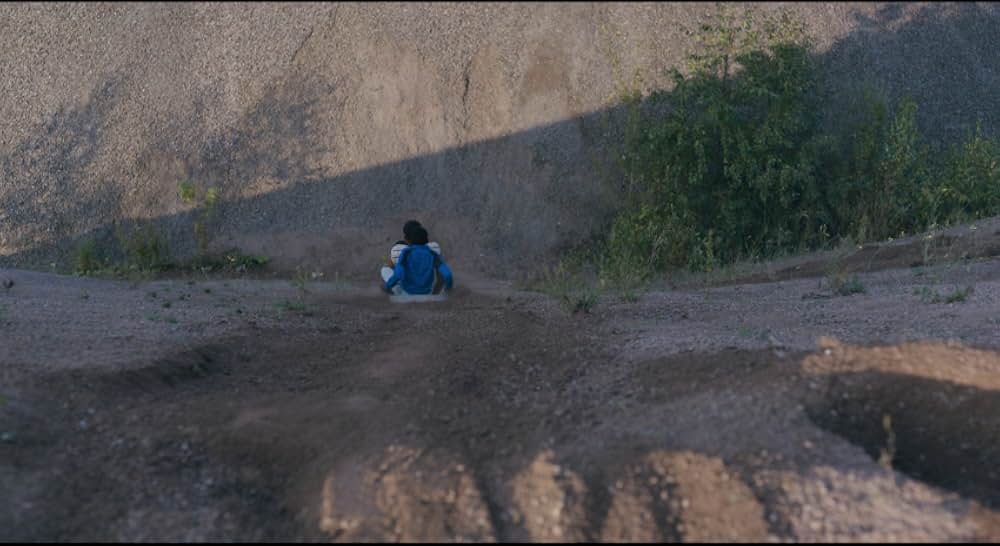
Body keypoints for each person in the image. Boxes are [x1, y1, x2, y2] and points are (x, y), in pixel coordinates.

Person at [381, 223, 453, 295]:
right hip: (427, 293)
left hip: (406, 293)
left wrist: (387, 287)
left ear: (410, 240)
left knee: (385, 269)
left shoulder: (406, 253)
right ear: (426, 240)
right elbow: (447, 275)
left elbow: (399, 274)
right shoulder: (433, 254)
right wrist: (448, 288)